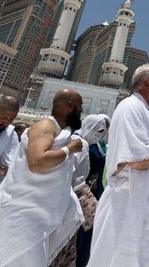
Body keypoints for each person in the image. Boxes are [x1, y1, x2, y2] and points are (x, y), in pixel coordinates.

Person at [87, 64, 149, 267]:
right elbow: (134, 160)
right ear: (147, 83)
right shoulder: (130, 108)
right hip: (127, 204)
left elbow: (142, 150)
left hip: (139, 204)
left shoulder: (143, 112)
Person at [0, 89, 84, 267]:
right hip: (25, 215)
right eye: (79, 107)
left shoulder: (60, 131)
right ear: (70, 106)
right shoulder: (45, 127)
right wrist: (69, 149)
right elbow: (37, 163)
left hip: (38, 217)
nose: (81, 111)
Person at [51, 114, 110, 267]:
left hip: (84, 193)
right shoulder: (79, 144)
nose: (100, 135)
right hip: (74, 196)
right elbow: (73, 175)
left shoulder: (91, 144)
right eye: (98, 130)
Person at [0, 96, 20, 193]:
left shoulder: (10, 133)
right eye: (3, 118)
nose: (6, 123)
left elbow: (11, 164)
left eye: (11, 119)